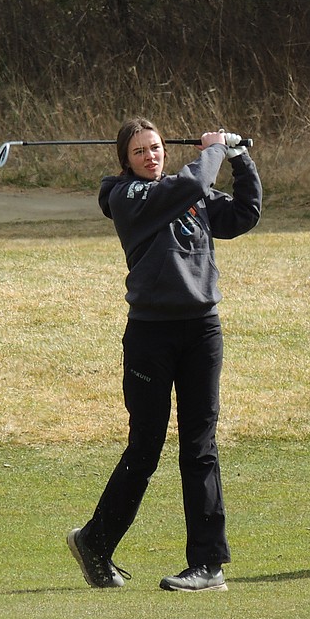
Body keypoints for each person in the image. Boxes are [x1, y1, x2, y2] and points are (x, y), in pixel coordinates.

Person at [68, 118, 262, 592]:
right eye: (139, 151)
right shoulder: (125, 197)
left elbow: (243, 214)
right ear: (125, 160)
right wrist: (214, 149)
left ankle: (208, 564)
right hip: (150, 337)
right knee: (145, 447)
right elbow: (194, 180)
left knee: (199, 448)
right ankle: (96, 541)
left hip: (201, 332)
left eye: (155, 148)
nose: (150, 156)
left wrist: (239, 158)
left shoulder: (185, 192)